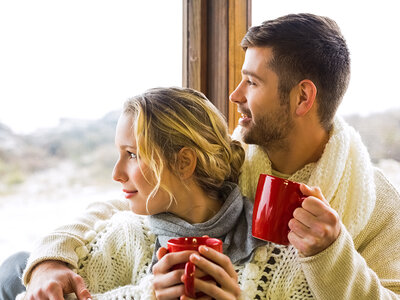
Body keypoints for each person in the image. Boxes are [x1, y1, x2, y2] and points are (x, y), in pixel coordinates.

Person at [2, 12, 400, 299]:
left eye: (252, 82)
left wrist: (332, 255)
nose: (235, 95)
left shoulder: (373, 200)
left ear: (303, 97)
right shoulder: (236, 157)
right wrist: (49, 259)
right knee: (15, 266)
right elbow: (128, 206)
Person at [10, 87, 271, 299]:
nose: (116, 173)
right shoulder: (124, 237)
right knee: (14, 267)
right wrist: (146, 295)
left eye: (132, 155)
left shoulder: (270, 247)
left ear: (184, 163)